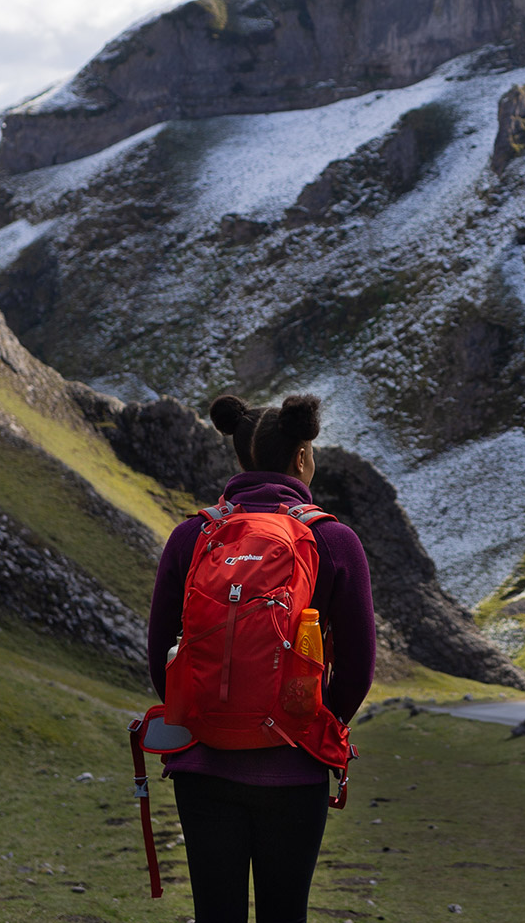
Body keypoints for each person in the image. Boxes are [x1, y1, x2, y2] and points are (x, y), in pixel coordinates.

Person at [146, 393, 374, 923]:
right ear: (300, 457)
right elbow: (358, 670)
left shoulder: (193, 534)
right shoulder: (333, 539)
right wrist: (308, 725)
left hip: (203, 763)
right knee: (285, 913)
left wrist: (206, 716)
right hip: (294, 767)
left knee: (215, 915)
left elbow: (162, 657)